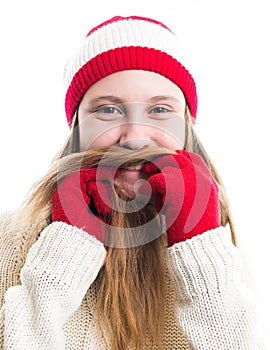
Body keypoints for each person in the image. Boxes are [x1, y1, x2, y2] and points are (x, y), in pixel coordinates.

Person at [0, 15, 264, 349]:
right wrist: (64, 251)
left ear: (186, 127)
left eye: (159, 110)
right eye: (109, 110)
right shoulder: (11, 238)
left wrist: (199, 247)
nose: (135, 138)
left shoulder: (223, 249)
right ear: (78, 129)